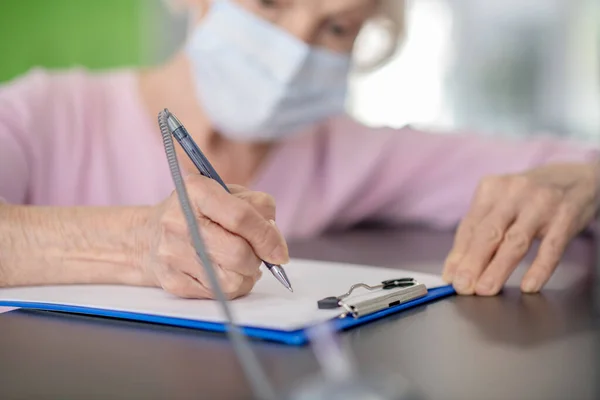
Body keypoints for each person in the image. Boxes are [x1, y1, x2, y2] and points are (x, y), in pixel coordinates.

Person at [0, 0, 598, 300]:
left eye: (337, 27)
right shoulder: (44, 113)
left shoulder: (350, 152)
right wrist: (138, 244)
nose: (294, 51)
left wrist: (582, 182)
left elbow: (567, 159)